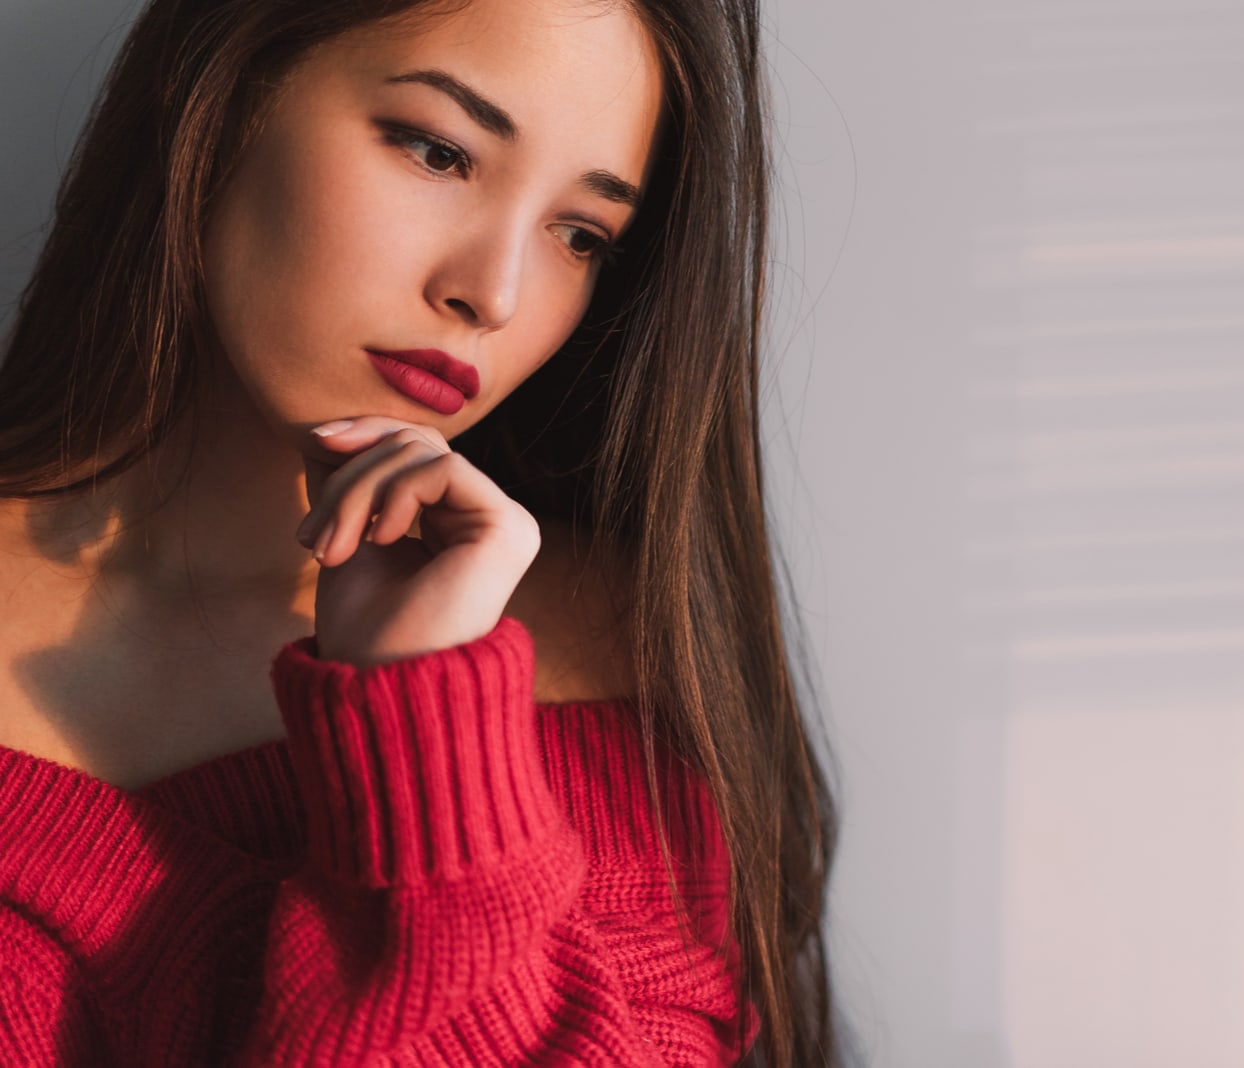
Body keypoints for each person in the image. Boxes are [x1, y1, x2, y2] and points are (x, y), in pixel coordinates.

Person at [0, 0, 843, 1064]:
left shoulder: (622, 657)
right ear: (222, 94)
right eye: (439, 151)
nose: (490, 293)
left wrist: (427, 717)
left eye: (580, 235)